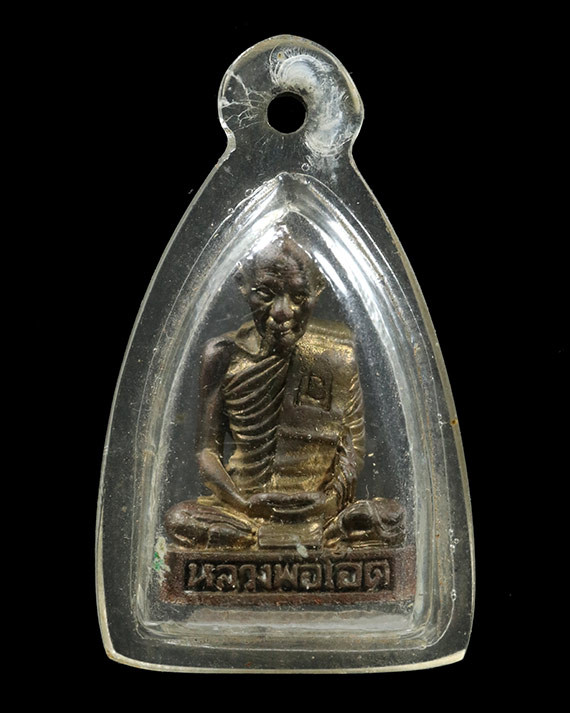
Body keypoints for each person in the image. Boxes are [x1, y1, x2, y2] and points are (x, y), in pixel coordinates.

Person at [165, 227, 404, 550]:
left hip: (318, 509)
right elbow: (206, 451)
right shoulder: (222, 355)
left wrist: (328, 502)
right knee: (179, 519)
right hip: (244, 509)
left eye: (299, 296)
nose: (282, 311)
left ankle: (293, 536)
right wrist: (242, 504)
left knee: (391, 516)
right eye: (265, 293)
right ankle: (290, 539)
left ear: (318, 289)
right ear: (243, 285)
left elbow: (352, 450)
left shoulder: (336, 354)